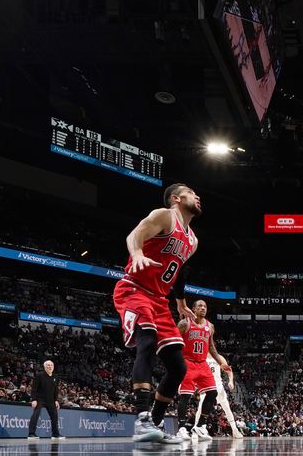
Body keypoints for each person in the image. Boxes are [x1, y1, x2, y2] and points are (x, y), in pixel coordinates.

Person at [112, 183, 200, 443]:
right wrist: (137, 252)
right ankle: (141, 421)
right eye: (191, 192)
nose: (197, 196)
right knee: (147, 340)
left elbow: (180, 270)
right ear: (176, 198)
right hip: (134, 289)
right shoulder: (164, 215)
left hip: (160, 300)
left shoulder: (192, 240)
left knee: (178, 367)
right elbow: (134, 235)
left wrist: (180, 301)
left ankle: (156, 422)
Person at [176, 299, 231, 441]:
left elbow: (211, 348)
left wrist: (221, 363)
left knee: (212, 393)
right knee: (185, 396)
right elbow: (175, 341)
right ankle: (181, 428)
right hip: (187, 362)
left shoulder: (210, 326)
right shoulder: (184, 324)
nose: (203, 308)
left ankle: (200, 426)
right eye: (200, 306)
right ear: (193, 309)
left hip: (202, 364)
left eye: (205, 306)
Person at [194, 352, 243, 438]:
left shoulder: (218, 358)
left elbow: (229, 370)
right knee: (200, 407)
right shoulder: (201, 358)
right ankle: (195, 429)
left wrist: (231, 381)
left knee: (227, 408)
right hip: (207, 384)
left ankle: (234, 430)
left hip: (218, 385)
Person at [27, 360, 63, 440]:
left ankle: (55, 434)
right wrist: (34, 399)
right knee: (36, 414)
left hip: (51, 400)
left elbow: (56, 390)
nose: (50, 367)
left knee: (54, 416)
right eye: (48, 365)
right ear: (44, 367)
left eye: (51, 365)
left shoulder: (55, 377)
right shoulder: (39, 375)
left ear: (53, 367)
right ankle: (31, 434)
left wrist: (56, 400)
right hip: (40, 399)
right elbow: (34, 388)